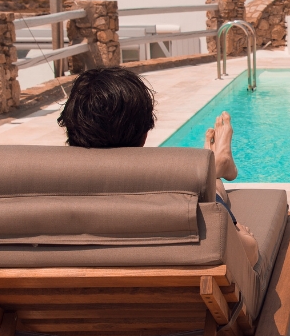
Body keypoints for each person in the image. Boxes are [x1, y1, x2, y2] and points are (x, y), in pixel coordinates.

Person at [58, 67, 256, 267]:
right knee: (209, 189)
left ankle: (216, 168)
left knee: (210, 185)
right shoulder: (170, 193)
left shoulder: (50, 193)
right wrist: (241, 234)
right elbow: (247, 254)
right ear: (145, 134)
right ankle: (215, 168)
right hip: (184, 284)